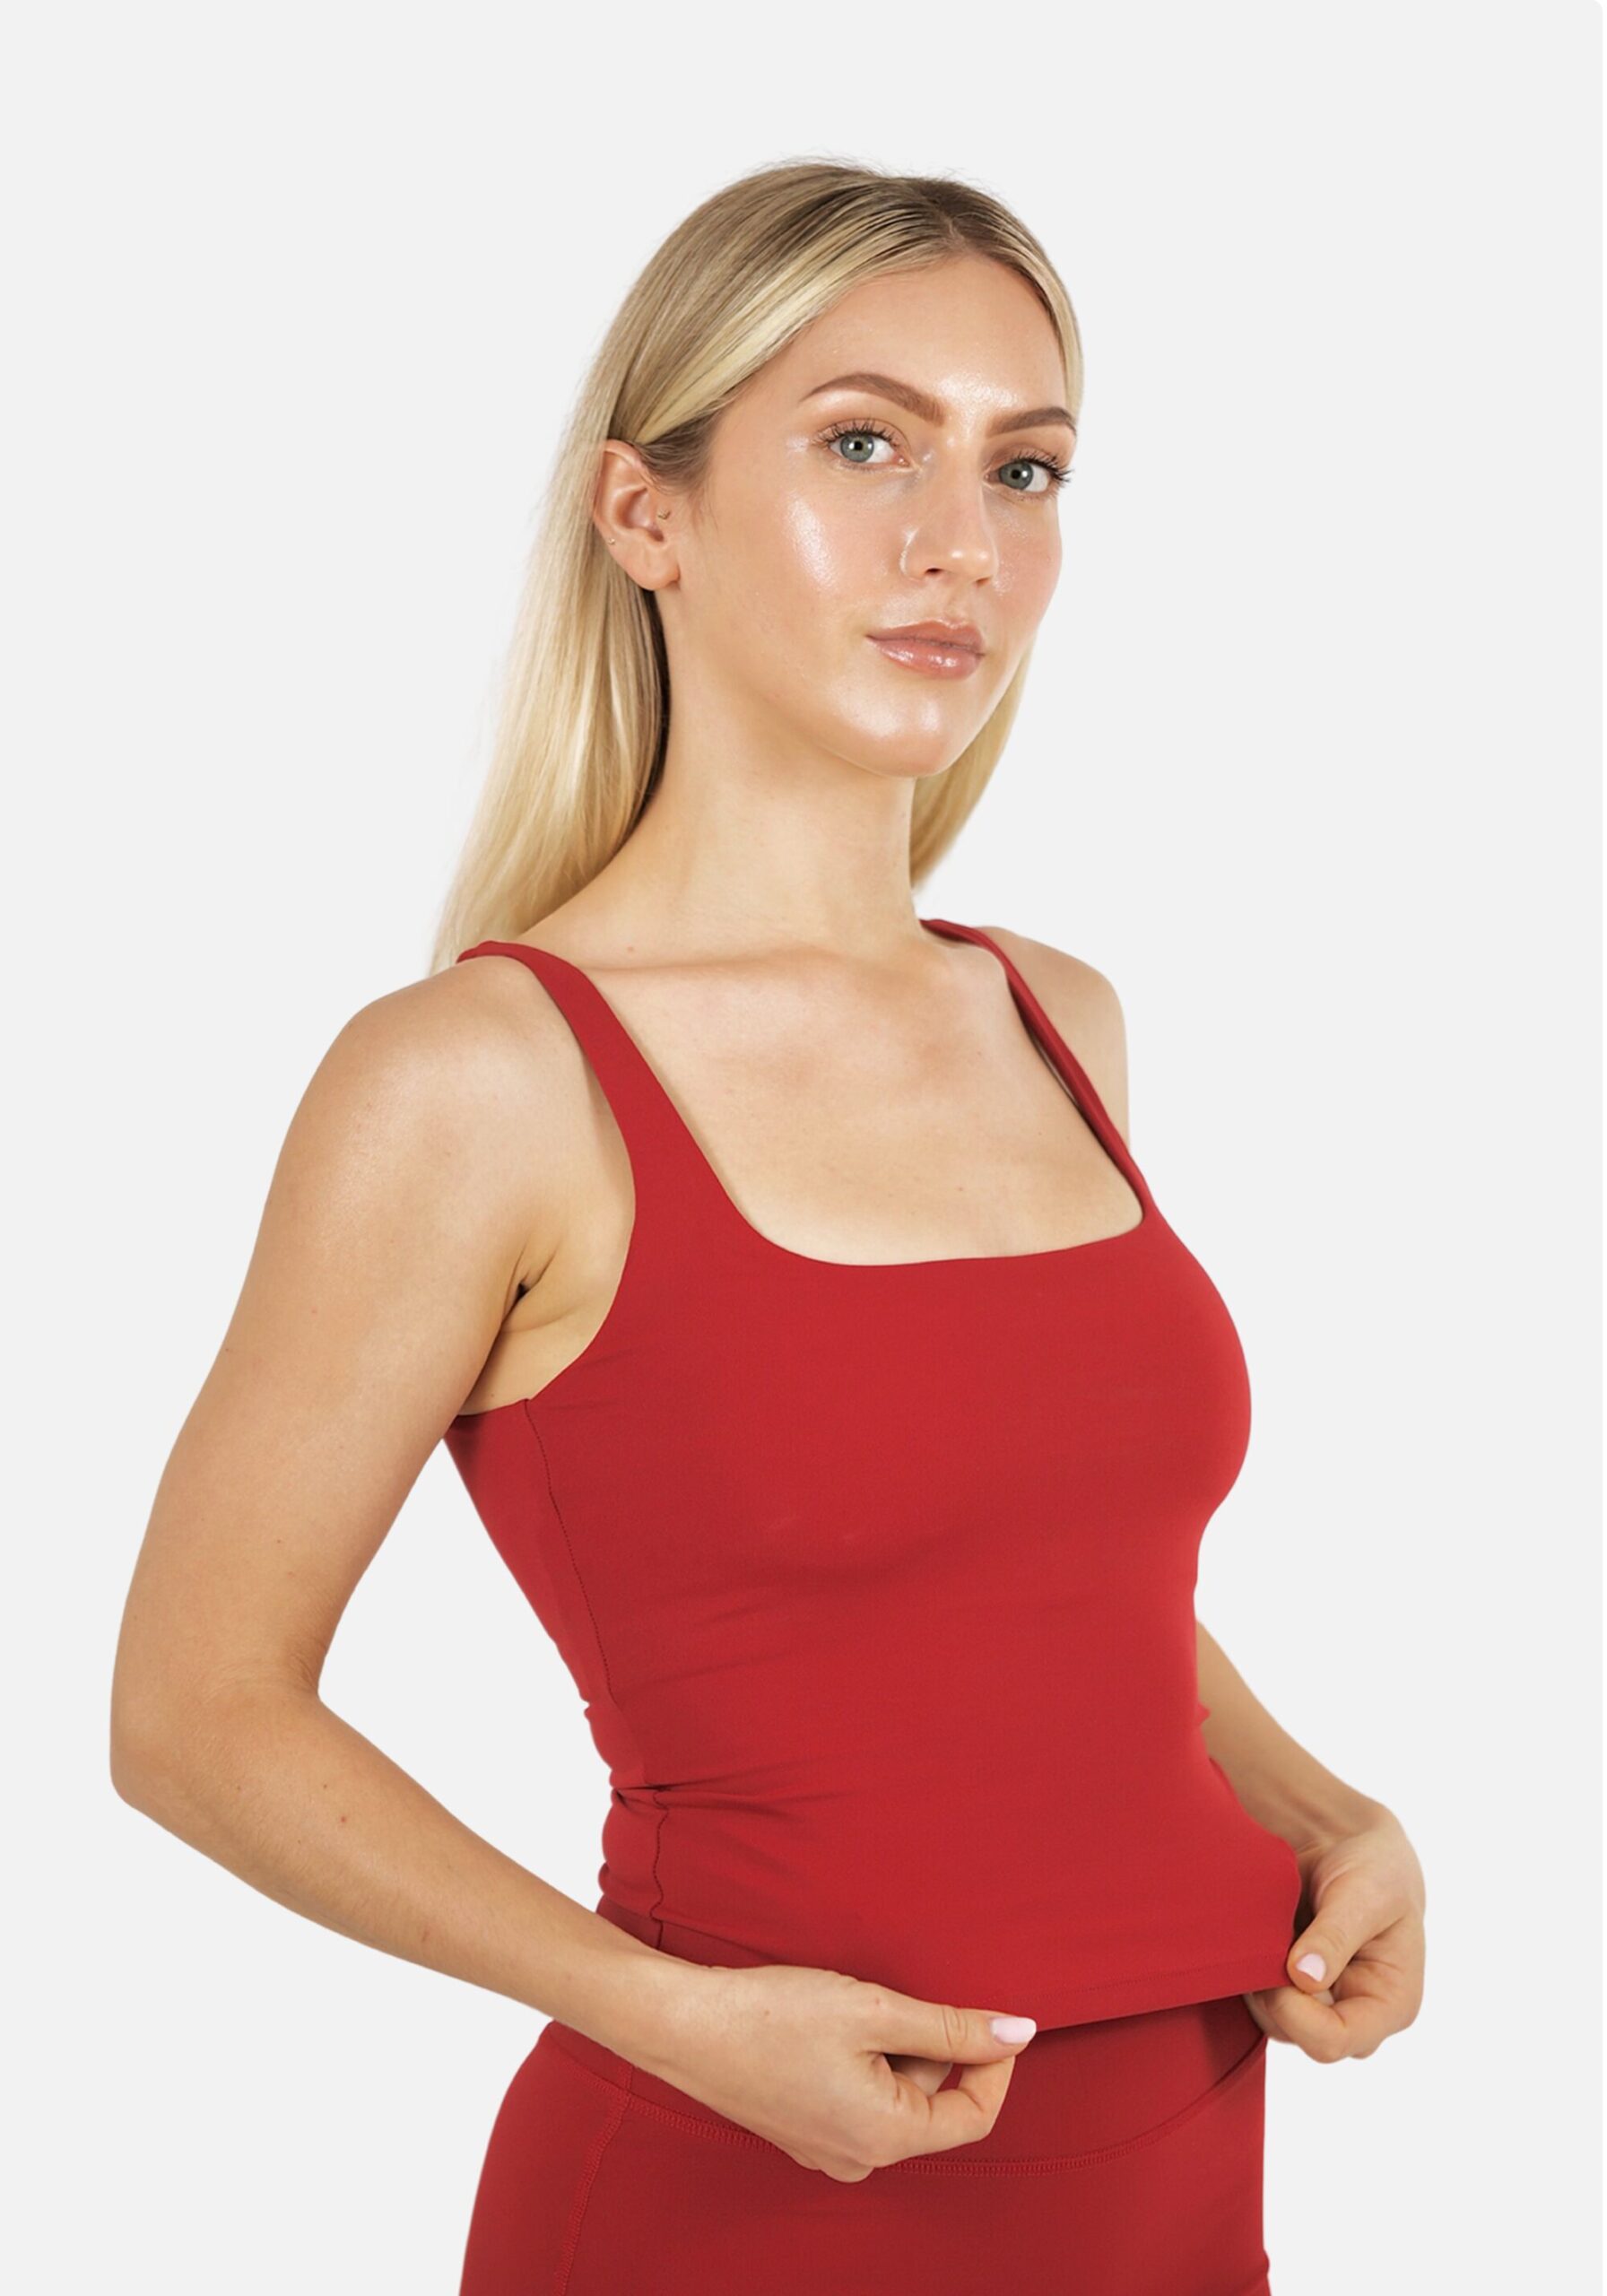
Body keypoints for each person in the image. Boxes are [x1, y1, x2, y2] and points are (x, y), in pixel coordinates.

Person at [109, 160, 1426, 2293]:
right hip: (739, 2196)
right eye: (862, 443)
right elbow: (192, 1709)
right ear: (645, 514)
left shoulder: (1054, 1016)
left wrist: (1316, 1806)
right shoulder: (480, 1082)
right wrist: (667, 2016)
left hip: (1176, 2159)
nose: (957, 541)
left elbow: (1040, 1584)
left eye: (1022, 467)